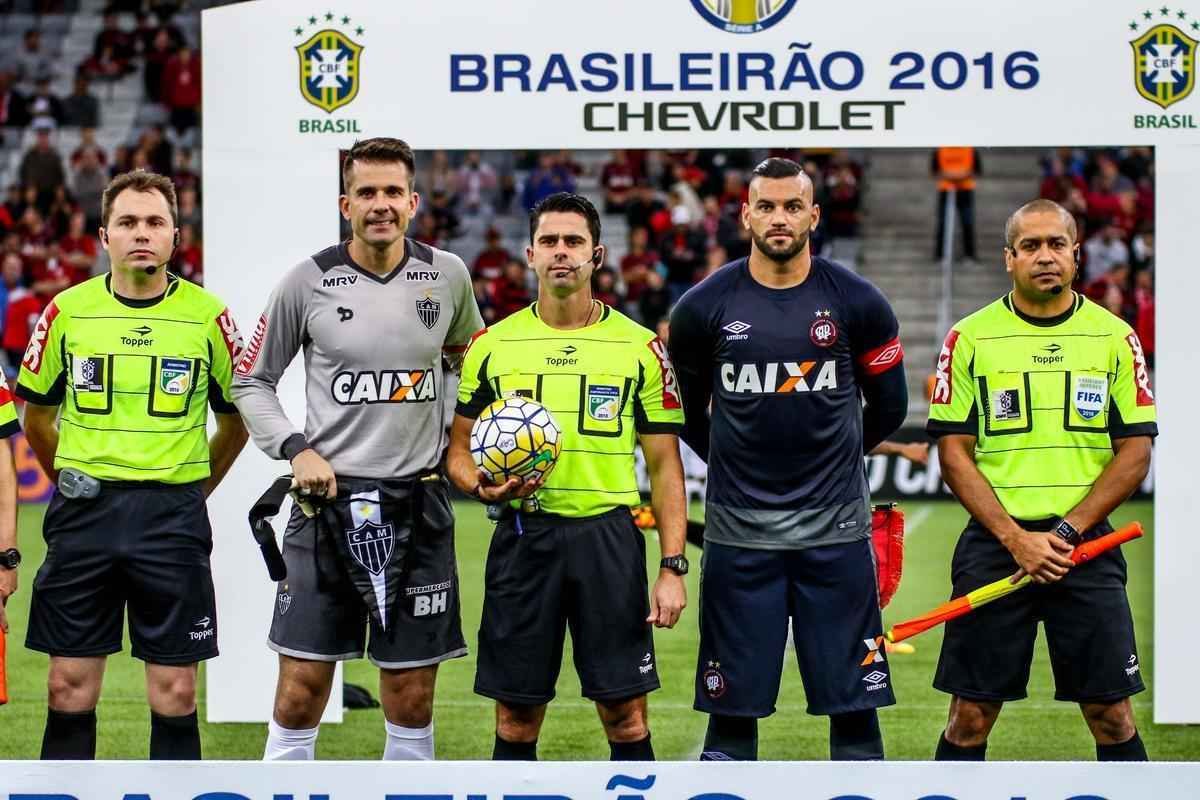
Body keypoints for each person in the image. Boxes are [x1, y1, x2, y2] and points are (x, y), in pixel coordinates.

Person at [232, 137, 483, 762]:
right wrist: (296, 450)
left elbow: (473, 369)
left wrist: (462, 440)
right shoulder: (308, 280)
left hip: (417, 506)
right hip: (326, 506)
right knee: (301, 689)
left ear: (413, 201)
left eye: (393, 192)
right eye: (366, 192)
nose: (380, 204)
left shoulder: (448, 275)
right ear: (346, 205)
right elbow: (251, 381)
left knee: (411, 695)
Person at [669, 157, 908, 761]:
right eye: (768, 206)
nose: (780, 218)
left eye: (793, 206)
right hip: (739, 538)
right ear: (745, 215)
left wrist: (837, 459)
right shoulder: (702, 307)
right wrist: (728, 462)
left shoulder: (858, 301)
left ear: (814, 215)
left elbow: (891, 407)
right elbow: (687, 414)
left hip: (837, 535)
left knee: (854, 706)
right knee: (731, 709)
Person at [16, 169, 249, 760]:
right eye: (127, 222)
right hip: (84, 514)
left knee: (175, 689)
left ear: (175, 235)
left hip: (172, 517)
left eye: (154, 222)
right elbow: (37, 418)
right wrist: (68, 476)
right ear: (104, 236)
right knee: (67, 685)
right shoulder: (67, 311)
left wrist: (193, 489)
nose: (141, 233)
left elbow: (236, 422)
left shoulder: (209, 317)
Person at [446, 192, 687, 762]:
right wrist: (481, 486)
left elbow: (665, 467)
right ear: (529, 254)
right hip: (523, 540)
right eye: (549, 241)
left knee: (625, 715)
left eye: (574, 241)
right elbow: (457, 452)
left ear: (596, 255)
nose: (561, 252)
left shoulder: (641, 348)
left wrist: (672, 567)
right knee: (516, 716)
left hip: (608, 539)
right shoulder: (491, 346)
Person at [927, 198, 1155, 762]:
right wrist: (1016, 539)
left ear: (1076, 254)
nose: (1045, 256)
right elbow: (954, 454)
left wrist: (1066, 533)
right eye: (1030, 245)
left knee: (1112, 715)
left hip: (1086, 546)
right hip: (995, 543)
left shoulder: (1114, 336)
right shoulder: (969, 337)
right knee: (969, 717)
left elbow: (1135, 453)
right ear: (1009, 257)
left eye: (1056, 244)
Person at [932, 147, 980, 262]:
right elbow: (935, 170)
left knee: (967, 222)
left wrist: (958, 175)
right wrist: (954, 175)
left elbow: (976, 169)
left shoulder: (970, 149)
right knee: (943, 222)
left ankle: (969, 255)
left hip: (965, 189)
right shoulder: (940, 149)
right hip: (945, 189)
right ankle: (940, 255)